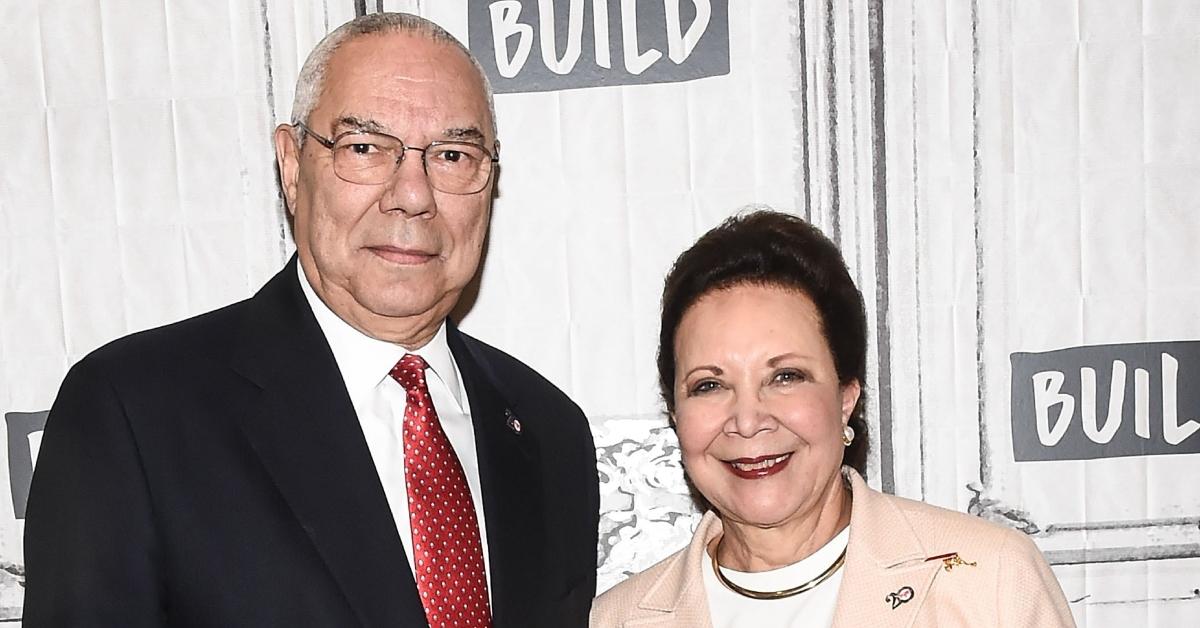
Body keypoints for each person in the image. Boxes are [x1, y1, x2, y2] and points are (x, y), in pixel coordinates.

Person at [23, 12, 598, 628]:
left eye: (453, 155)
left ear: (489, 179)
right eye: (365, 148)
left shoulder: (549, 432)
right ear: (293, 166)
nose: (413, 193)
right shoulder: (132, 414)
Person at [590, 209, 1075, 627]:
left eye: (786, 377)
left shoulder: (988, 581)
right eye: (709, 386)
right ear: (676, 414)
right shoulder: (615, 620)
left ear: (846, 397)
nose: (747, 419)